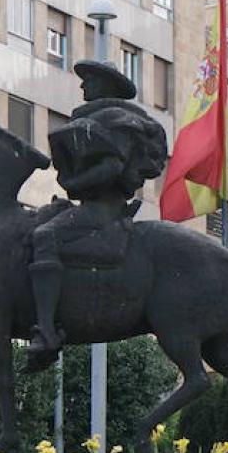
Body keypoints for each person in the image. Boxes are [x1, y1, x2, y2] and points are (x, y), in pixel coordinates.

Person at [25, 60, 169, 368]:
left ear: (108, 85)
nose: (82, 85)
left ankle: (47, 331)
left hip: (102, 208)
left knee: (44, 235)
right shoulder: (100, 118)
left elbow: (113, 167)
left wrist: (73, 183)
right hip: (89, 205)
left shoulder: (116, 120)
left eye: (89, 79)